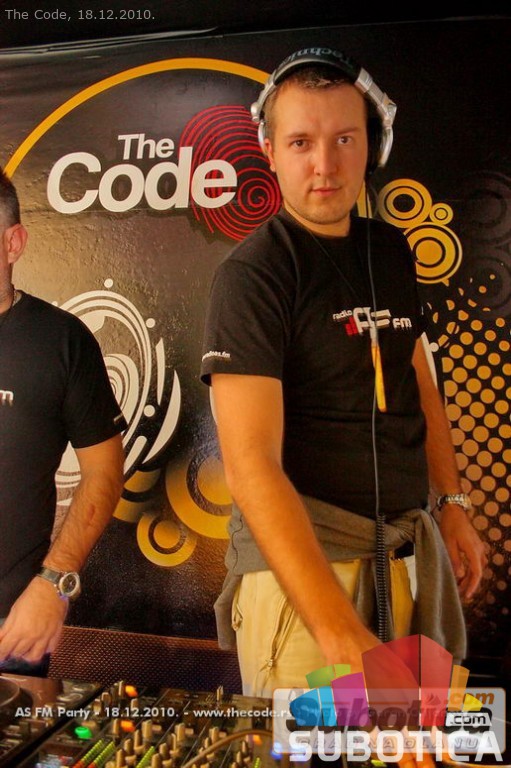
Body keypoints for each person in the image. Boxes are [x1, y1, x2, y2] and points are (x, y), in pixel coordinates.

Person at [200, 47, 487, 701]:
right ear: (270, 151)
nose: (324, 165)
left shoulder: (389, 250)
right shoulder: (253, 276)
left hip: (402, 563)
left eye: (344, 140)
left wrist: (451, 504)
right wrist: (337, 634)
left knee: (400, 744)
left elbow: (417, 381)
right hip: (307, 589)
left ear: (373, 147)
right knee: (319, 747)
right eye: (301, 142)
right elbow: (251, 468)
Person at [0, 167, 126, 676]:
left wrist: (54, 582)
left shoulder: (61, 341)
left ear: (14, 243)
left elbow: (104, 472)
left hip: (11, 627)